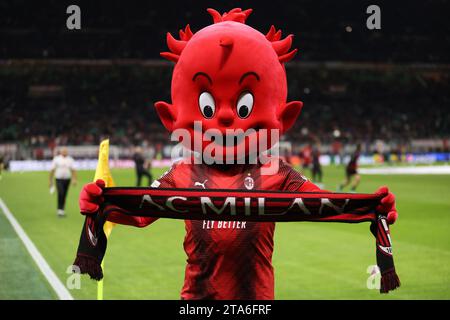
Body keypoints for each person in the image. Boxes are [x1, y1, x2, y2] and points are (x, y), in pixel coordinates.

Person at [79, 8, 398, 300]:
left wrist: (372, 208)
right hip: (197, 304)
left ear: (285, 117)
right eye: (208, 106)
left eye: (244, 104)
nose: (228, 118)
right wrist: (103, 202)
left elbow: (326, 204)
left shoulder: (276, 171)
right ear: (170, 116)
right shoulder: (184, 172)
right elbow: (140, 211)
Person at [49, 147, 77, 217]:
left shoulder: (70, 160)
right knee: (60, 193)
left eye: (66, 151)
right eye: (63, 151)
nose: (65, 152)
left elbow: (73, 170)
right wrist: (50, 180)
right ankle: (59, 209)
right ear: (61, 152)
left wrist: (74, 179)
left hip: (67, 179)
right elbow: (52, 170)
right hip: (59, 179)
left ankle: (62, 210)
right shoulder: (57, 159)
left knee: (64, 194)